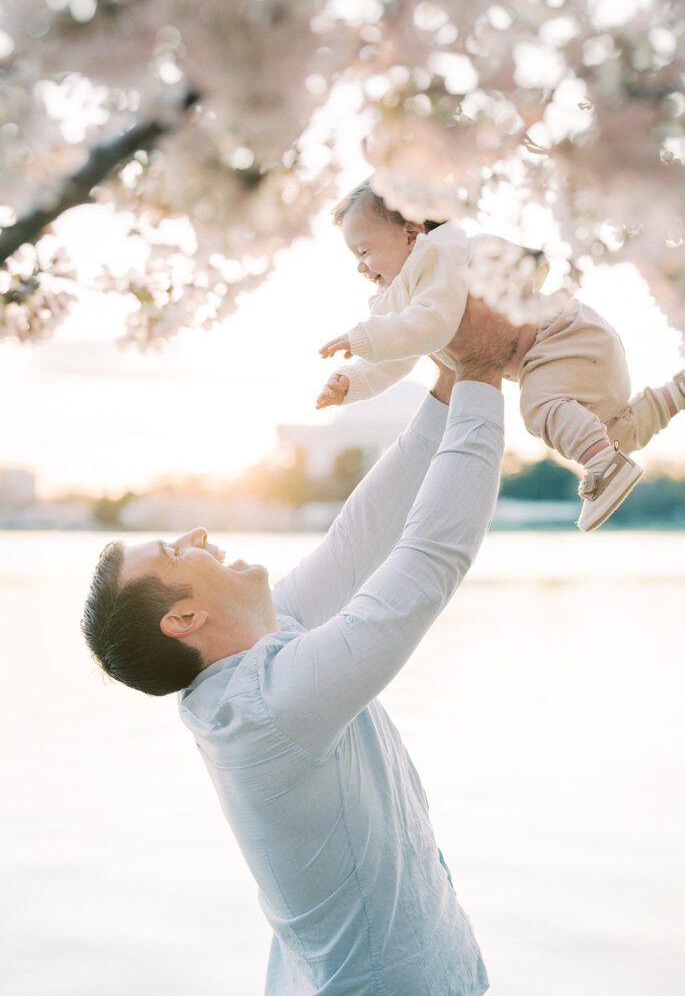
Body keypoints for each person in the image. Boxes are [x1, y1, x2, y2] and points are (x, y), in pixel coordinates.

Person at [81, 297, 515, 996]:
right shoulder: (269, 706)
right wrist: (486, 374)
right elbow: (426, 562)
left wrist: (449, 380)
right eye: (171, 550)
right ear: (184, 617)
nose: (193, 534)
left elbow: (361, 539)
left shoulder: (251, 660)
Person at [317, 180, 685, 531]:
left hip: (561, 340)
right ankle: (679, 394)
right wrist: (352, 382)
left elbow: (433, 325)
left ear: (410, 233)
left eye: (364, 252)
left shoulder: (441, 258)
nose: (360, 267)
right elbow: (401, 350)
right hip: (575, 355)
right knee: (614, 436)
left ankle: (604, 470)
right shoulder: (411, 294)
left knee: (539, 409)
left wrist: (363, 336)